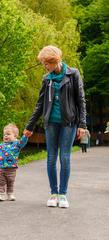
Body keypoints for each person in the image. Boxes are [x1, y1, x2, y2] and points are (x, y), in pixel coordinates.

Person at [24, 45, 86, 208]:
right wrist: (29, 126)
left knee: (64, 157)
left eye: (46, 64)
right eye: (44, 64)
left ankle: (63, 195)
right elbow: (40, 104)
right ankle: (53, 194)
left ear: (54, 61)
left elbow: (81, 100)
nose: (44, 67)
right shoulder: (47, 78)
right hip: (51, 122)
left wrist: (82, 124)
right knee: (51, 158)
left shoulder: (74, 74)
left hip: (69, 123)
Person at [0, 123, 28, 202]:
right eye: (4, 134)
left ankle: (10, 194)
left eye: (8, 134)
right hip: (1, 167)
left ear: (15, 136)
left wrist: (25, 136)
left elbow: (23, 142)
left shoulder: (16, 144)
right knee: (1, 181)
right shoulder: (1, 145)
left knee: (10, 181)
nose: (5, 136)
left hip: (11, 168)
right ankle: (1, 194)